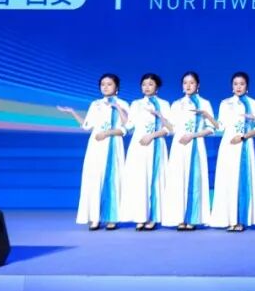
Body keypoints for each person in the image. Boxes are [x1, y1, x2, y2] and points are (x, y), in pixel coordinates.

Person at [58, 73, 128, 230]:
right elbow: (87, 126)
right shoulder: (95, 104)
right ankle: (95, 218)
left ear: (116, 87)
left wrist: (116, 110)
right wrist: (72, 112)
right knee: (94, 178)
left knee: (113, 178)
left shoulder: (123, 104)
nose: (105, 87)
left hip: (113, 145)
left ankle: (112, 218)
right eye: (102, 84)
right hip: (96, 146)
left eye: (109, 84)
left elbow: (127, 126)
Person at [210, 72, 255, 231]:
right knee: (227, 181)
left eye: (242, 84)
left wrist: (243, 137)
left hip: (244, 146)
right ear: (231, 86)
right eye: (235, 84)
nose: (238, 87)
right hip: (227, 147)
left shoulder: (253, 104)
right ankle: (228, 219)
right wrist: (208, 116)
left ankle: (240, 220)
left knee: (241, 180)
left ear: (247, 86)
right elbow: (220, 127)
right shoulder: (225, 103)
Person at [163, 71, 216, 231]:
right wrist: (162, 119)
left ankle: (193, 218)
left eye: (191, 82)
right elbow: (172, 128)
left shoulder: (204, 103)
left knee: (195, 180)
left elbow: (211, 128)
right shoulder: (176, 104)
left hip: (196, 145)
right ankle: (179, 218)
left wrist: (193, 135)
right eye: (185, 82)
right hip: (179, 147)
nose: (188, 85)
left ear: (198, 85)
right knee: (178, 181)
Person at [121, 73, 173, 230]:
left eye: (150, 84)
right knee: (139, 180)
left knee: (155, 179)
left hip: (156, 144)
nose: (147, 87)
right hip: (138, 147)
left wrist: (151, 136)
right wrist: (119, 110)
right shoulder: (136, 104)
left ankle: (154, 217)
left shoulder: (164, 104)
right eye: (144, 84)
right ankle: (140, 216)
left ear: (157, 87)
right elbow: (129, 125)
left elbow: (169, 128)